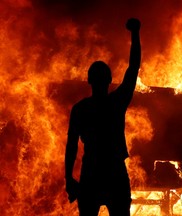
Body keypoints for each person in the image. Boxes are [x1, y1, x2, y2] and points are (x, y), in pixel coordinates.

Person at [65, 18, 141, 216]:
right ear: (109, 80)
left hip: (91, 173)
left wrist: (68, 178)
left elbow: (72, 145)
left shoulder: (80, 109)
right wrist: (135, 33)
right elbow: (133, 68)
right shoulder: (116, 102)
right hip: (114, 172)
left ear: (89, 80)